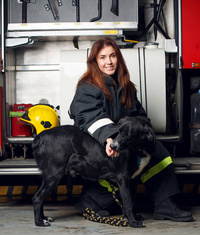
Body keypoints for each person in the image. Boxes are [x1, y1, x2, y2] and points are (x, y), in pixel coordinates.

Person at [69, 37, 193, 222]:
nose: (108, 62)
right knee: (121, 160)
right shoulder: (88, 87)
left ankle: (164, 204)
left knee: (157, 152)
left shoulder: (125, 86)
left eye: (112, 56)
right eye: (102, 57)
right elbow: (90, 118)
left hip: (119, 139)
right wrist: (110, 138)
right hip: (94, 141)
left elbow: (139, 115)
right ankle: (91, 200)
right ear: (95, 62)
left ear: (118, 58)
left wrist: (144, 133)